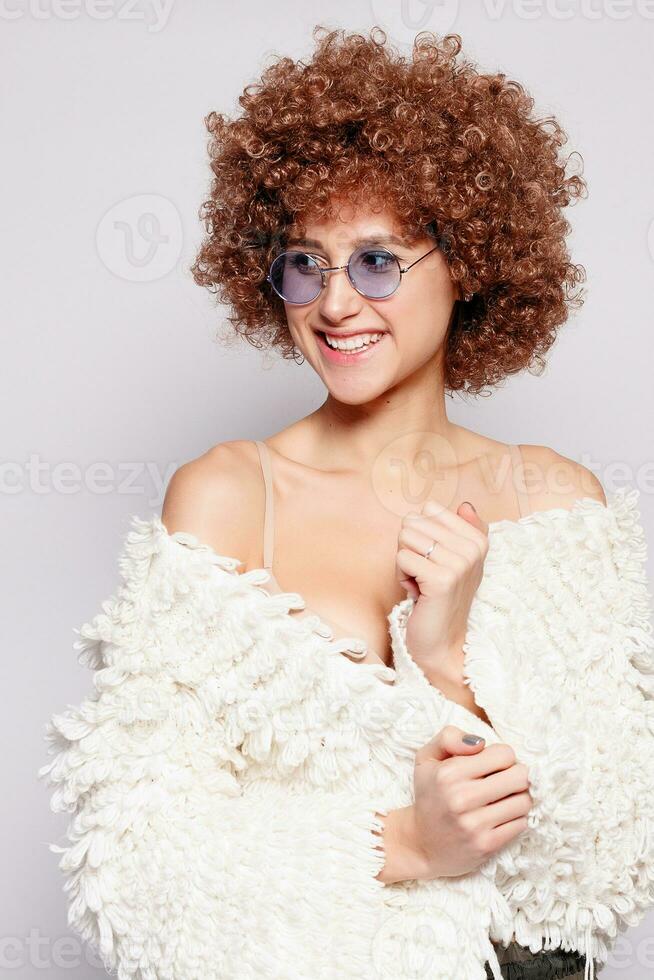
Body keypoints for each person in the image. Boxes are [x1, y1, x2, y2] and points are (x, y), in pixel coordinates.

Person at [40, 26, 654, 980]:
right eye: (304, 263)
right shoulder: (231, 499)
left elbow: (602, 862)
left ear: (470, 261)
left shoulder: (554, 500)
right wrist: (405, 844)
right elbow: (139, 865)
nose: (334, 305)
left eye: (376, 262)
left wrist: (444, 658)